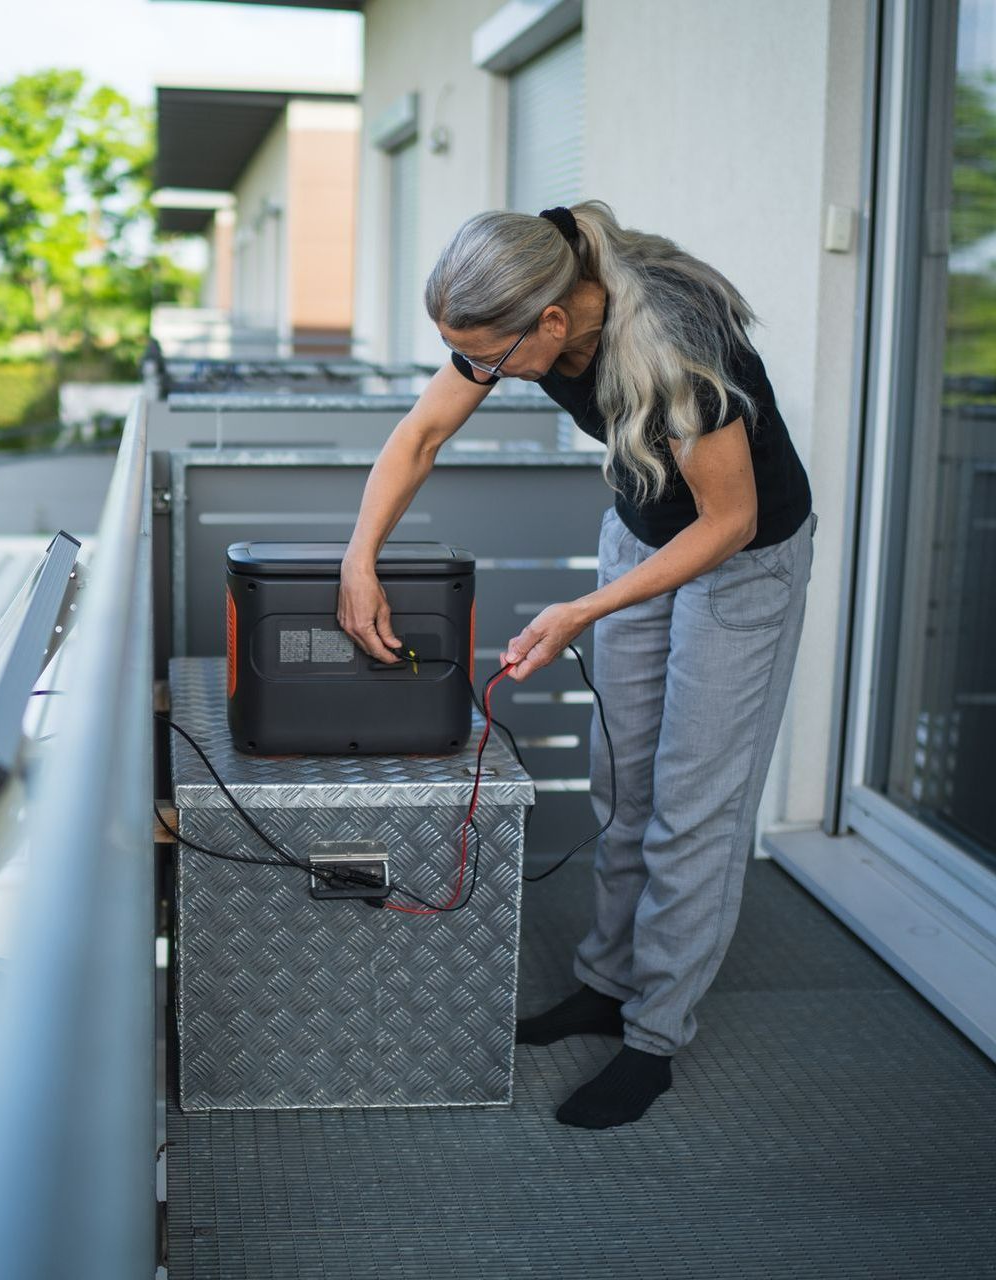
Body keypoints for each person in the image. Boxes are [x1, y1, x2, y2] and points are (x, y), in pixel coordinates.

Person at [337, 201, 815, 1129]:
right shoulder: (539, 289)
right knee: (622, 783)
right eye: (459, 354)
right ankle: (605, 982)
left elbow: (731, 521)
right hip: (640, 535)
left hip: (741, 565)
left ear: (552, 325)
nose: (474, 374)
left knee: (692, 807)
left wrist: (579, 611)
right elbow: (421, 436)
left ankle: (653, 1037)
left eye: (485, 357)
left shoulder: (676, 341)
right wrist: (360, 557)